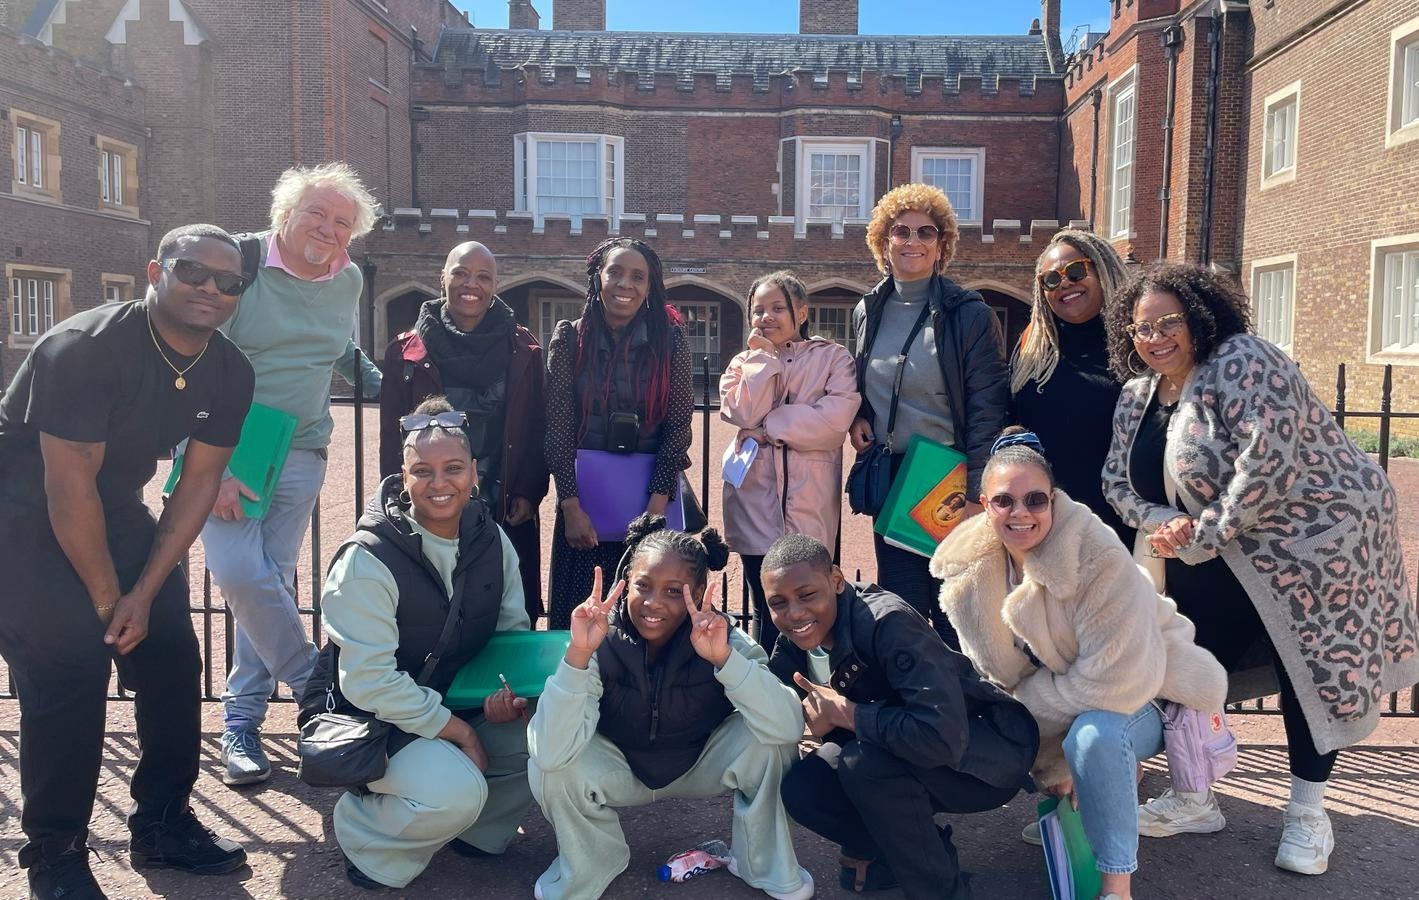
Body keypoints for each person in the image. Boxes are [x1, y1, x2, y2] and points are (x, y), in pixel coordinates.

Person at [1102, 263, 1419, 876]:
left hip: (1312, 548)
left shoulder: (1244, 360)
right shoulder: (1137, 395)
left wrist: (1198, 533)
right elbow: (1116, 479)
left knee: (1308, 672)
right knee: (1189, 666)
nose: (1156, 336)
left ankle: (1307, 813)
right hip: (1212, 552)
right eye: (1142, 328)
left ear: (1200, 317)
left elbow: (1265, 464)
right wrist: (1165, 521)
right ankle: (1195, 796)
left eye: (1170, 321)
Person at [0, 225, 256, 899]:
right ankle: (55, 852)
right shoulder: (84, 349)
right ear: (155, 270)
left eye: (229, 282)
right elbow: (66, 486)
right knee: (69, 671)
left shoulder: (229, 370)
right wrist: (112, 603)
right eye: (193, 272)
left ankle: (163, 823)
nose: (210, 289)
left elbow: (198, 483)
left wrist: (147, 592)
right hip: (22, 514)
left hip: (110, 509)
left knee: (171, 653)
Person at [930, 428, 1228, 900]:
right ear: (984, 504)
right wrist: (1048, 759)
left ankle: (1115, 887)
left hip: (1151, 688)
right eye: (1005, 501)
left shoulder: (1095, 552)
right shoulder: (970, 574)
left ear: (1054, 498)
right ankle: (1091, 795)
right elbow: (999, 677)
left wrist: (1031, 726)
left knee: (1095, 736)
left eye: (1036, 499)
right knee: (993, 728)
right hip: (1064, 694)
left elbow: (1117, 681)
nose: (1021, 513)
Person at [304, 395, 535, 890]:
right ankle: (368, 836)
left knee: (547, 743)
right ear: (403, 476)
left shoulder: (492, 540)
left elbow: (510, 638)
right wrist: (461, 732)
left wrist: (505, 697)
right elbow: (368, 682)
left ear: (474, 471)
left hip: (453, 699)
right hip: (372, 717)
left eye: (453, 468)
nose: (439, 483)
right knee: (455, 790)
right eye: (422, 471)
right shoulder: (367, 558)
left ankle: (475, 832)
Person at [205, 162, 384, 787]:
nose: (328, 229)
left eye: (342, 222)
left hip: (302, 448)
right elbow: (193, 360)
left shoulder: (348, 279)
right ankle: (315, 683)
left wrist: (395, 391)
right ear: (285, 211)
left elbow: (337, 347)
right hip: (227, 447)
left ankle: (242, 724)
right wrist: (215, 466)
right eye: (317, 213)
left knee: (270, 583)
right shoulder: (240, 265)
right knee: (236, 571)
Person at [527, 518, 813, 900]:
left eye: (674, 591)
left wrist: (725, 659)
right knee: (550, 765)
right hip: (620, 767)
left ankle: (762, 862)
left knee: (772, 743)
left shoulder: (724, 638)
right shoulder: (597, 641)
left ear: (698, 592)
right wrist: (578, 654)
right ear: (626, 581)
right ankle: (593, 862)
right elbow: (549, 751)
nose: (654, 603)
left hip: (700, 761)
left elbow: (789, 727)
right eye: (643, 586)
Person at [765, 534, 1038, 899]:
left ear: (835, 579)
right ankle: (903, 855)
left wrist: (848, 714)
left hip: (981, 759)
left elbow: (941, 736)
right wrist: (721, 658)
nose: (794, 613)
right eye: (778, 603)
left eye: (807, 595)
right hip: (904, 749)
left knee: (863, 763)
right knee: (805, 788)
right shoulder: (794, 641)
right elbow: (766, 696)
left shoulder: (888, 624)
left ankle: (943, 891)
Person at [849, 183, 1008, 646]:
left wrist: (978, 490)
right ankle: (918, 706)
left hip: (945, 475)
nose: (913, 240)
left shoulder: (968, 313)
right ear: (884, 242)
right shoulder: (867, 309)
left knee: (955, 608)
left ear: (942, 244)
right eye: (901, 230)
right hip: (892, 473)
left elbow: (987, 408)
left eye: (926, 231)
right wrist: (861, 413)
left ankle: (964, 708)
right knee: (902, 605)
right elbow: (864, 379)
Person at [379, 241, 548, 621]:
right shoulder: (405, 351)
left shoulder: (525, 349)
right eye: (460, 272)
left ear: (495, 286)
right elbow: (393, 436)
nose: (471, 283)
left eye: (483, 276)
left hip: (503, 497)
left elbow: (538, 426)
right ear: (443, 278)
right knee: (431, 599)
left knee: (506, 603)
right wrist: (395, 493)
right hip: (431, 493)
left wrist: (528, 490)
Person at [544, 238, 693, 628]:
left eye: (637, 276)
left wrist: (655, 513)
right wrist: (570, 507)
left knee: (647, 619)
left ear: (649, 287)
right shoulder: (569, 339)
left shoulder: (670, 341)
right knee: (581, 617)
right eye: (615, 272)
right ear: (598, 278)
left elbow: (678, 426)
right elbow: (558, 430)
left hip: (650, 498)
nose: (624, 284)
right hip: (585, 511)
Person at [720, 270, 859, 649]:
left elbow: (833, 422)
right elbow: (742, 412)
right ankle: (767, 684)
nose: (767, 316)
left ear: (801, 312)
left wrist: (769, 428)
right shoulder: (743, 363)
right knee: (767, 607)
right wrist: (763, 359)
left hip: (809, 504)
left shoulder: (833, 358)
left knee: (812, 607)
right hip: (754, 505)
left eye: (778, 307)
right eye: (758, 309)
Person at [1011, 229, 1132, 546]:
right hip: (1047, 530)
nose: (1064, 283)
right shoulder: (1032, 351)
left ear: (1102, 269)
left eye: (1076, 270)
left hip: (1120, 531)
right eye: (1050, 280)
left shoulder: (1139, 348)